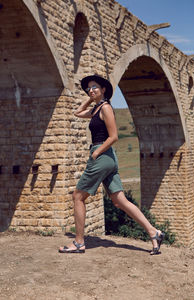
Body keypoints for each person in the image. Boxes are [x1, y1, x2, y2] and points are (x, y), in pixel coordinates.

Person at [59, 74, 164, 255]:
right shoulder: (96, 108)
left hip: (102, 155)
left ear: (104, 89)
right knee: (119, 200)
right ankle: (154, 233)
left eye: (95, 87)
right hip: (109, 159)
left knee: (78, 196)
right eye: (89, 88)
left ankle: (78, 243)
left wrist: (97, 152)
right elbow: (77, 112)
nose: (91, 90)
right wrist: (89, 98)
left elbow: (114, 136)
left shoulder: (105, 108)